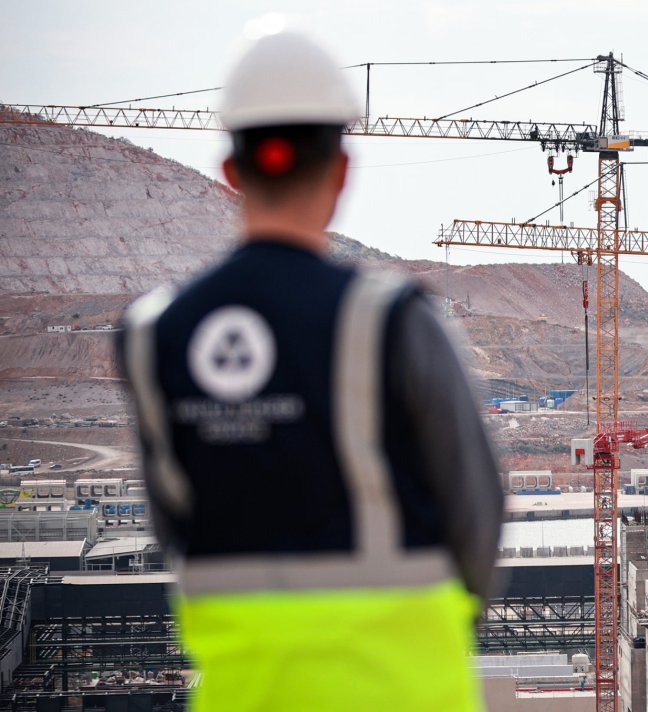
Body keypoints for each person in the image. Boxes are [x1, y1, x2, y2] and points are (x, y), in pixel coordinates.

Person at [116, 27, 503, 711]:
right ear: (342, 170)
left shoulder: (151, 336)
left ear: (230, 172)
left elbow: (175, 527)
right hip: (404, 691)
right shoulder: (392, 318)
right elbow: (475, 505)